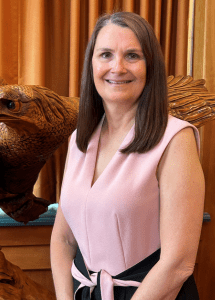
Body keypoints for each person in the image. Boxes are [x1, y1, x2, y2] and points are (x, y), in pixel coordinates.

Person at [50, 11, 205, 300]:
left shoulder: (175, 139)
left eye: (132, 55)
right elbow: (63, 238)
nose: (117, 67)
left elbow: (178, 264)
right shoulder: (78, 141)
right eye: (105, 54)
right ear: (91, 65)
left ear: (150, 68)